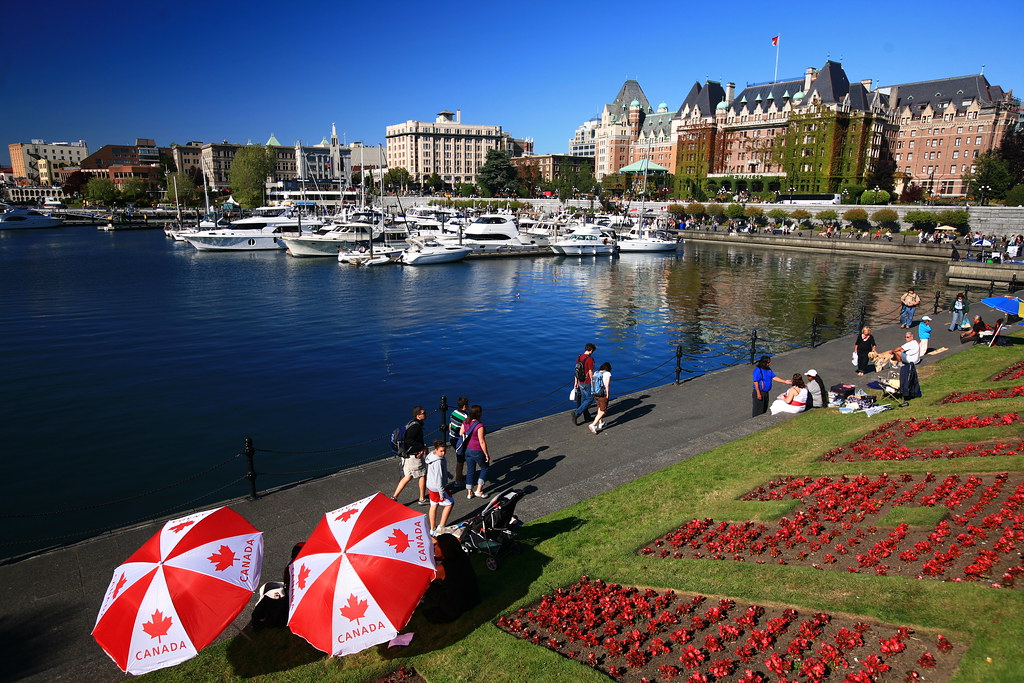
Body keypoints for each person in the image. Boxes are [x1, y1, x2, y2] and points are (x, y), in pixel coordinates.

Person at [422, 533, 479, 624]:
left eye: (437, 545)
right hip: (473, 597)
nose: (434, 547)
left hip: (455, 606)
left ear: (445, 549)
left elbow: (424, 578)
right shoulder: (461, 555)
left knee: (427, 585)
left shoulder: (442, 569)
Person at [392, 406, 428, 505]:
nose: (426, 414)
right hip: (414, 456)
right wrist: (422, 447)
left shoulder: (411, 423)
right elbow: (409, 440)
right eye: (423, 413)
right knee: (422, 474)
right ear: (418, 416)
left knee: (407, 476)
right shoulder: (416, 426)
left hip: (406, 456)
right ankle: (422, 499)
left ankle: (394, 497)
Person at [460, 405, 490, 499]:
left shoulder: (465, 421)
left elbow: (461, 433)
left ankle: (469, 492)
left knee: (470, 470)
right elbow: (481, 441)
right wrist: (486, 454)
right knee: (485, 468)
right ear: (479, 413)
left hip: (467, 450)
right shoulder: (479, 426)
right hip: (477, 450)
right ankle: (479, 490)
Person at [425, 440, 454, 534]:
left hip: (430, 486)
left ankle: (432, 528)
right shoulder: (438, 462)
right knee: (450, 503)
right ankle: (441, 526)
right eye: (441, 451)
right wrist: (441, 493)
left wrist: (447, 474)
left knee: (433, 505)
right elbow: (438, 478)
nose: (443, 453)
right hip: (437, 488)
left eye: (444, 451)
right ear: (436, 450)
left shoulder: (431, 456)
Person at [572, 343, 596, 425]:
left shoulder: (579, 357)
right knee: (590, 399)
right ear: (591, 350)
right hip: (587, 382)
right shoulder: (590, 359)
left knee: (584, 400)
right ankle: (576, 413)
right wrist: (594, 382)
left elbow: (576, 370)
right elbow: (590, 372)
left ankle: (587, 418)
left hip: (580, 382)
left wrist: (576, 382)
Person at [447, 396, 469, 487]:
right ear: (464, 406)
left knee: (460, 457)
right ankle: (458, 480)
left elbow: (450, 424)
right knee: (460, 459)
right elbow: (467, 429)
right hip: (459, 440)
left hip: (451, 437)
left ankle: (459, 476)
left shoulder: (454, 412)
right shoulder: (465, 417)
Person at [588, 362, 612, 434]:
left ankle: (601, 423)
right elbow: (606, 385)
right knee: (603, 411)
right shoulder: (607, 373)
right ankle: (593, 424)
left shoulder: (596, 372)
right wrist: (607, 394)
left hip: (596, 393)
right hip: (602, 394)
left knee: (599, 408)